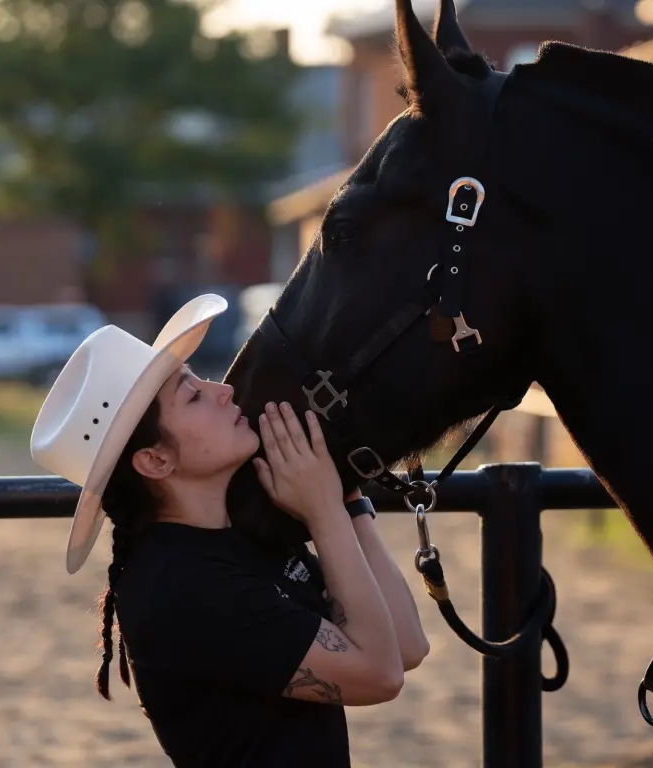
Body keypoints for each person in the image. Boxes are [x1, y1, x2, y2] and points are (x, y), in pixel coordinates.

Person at [29, 294, 430, 767]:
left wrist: (345, 496)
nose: (223, 391)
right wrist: (323, 513)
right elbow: (380, 675)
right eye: (193, 395)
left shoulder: (240, 536)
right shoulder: (183, 588)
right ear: (155, 460)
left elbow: (405, 645)